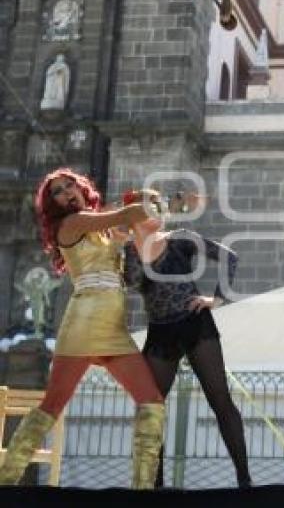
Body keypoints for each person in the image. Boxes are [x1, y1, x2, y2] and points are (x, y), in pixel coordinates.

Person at [0, 168, 165, 489]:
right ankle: (6, 482)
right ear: (54, 205)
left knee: (152, 401)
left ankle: (144, 489)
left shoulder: (99, 229)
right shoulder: (72, 224)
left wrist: (138, 223)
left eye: (69, 185)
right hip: (84, 322)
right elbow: (131, 213)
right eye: (58, 192)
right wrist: (147, 202)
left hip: (113, 327)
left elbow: (138, 231)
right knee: (52, 405)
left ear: (81, 187)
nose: (66, 192)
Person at [122, 189, 251, 488]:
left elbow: (230, 258)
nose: (155, 211)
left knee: (220, 399)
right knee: (150, 409)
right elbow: (131, 284)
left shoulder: (180, 238)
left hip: (195, 324)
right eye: (147, 208)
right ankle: (156, 485)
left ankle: (245, 481)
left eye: (157, 206)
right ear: (133, 217)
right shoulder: (127, 252)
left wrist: (216, 299)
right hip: (160, 332)